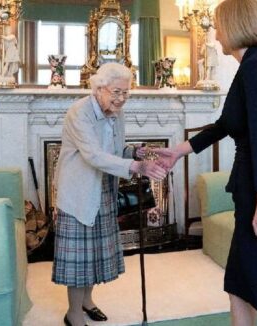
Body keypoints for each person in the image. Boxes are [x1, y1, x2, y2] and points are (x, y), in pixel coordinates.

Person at [154, 0, 257, 325]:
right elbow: (226, 124)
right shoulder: (248, 65)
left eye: (218, 25)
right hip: (255, 187)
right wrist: (180, 150)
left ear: (234, 25)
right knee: (238, 284)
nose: (216, 32)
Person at [52, 62, 167, 326]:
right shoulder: (79, 113)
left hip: (104, 188)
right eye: (116, 92)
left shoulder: (116, 113)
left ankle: (87, 301)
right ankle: (73, 313)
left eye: (126, 93)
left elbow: (113, 149)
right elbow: (93, 155)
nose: (121, 99)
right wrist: (136, 166)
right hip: (79, 191)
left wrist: (133, 152)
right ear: (99, 88)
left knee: (94, 253)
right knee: (80, 259)